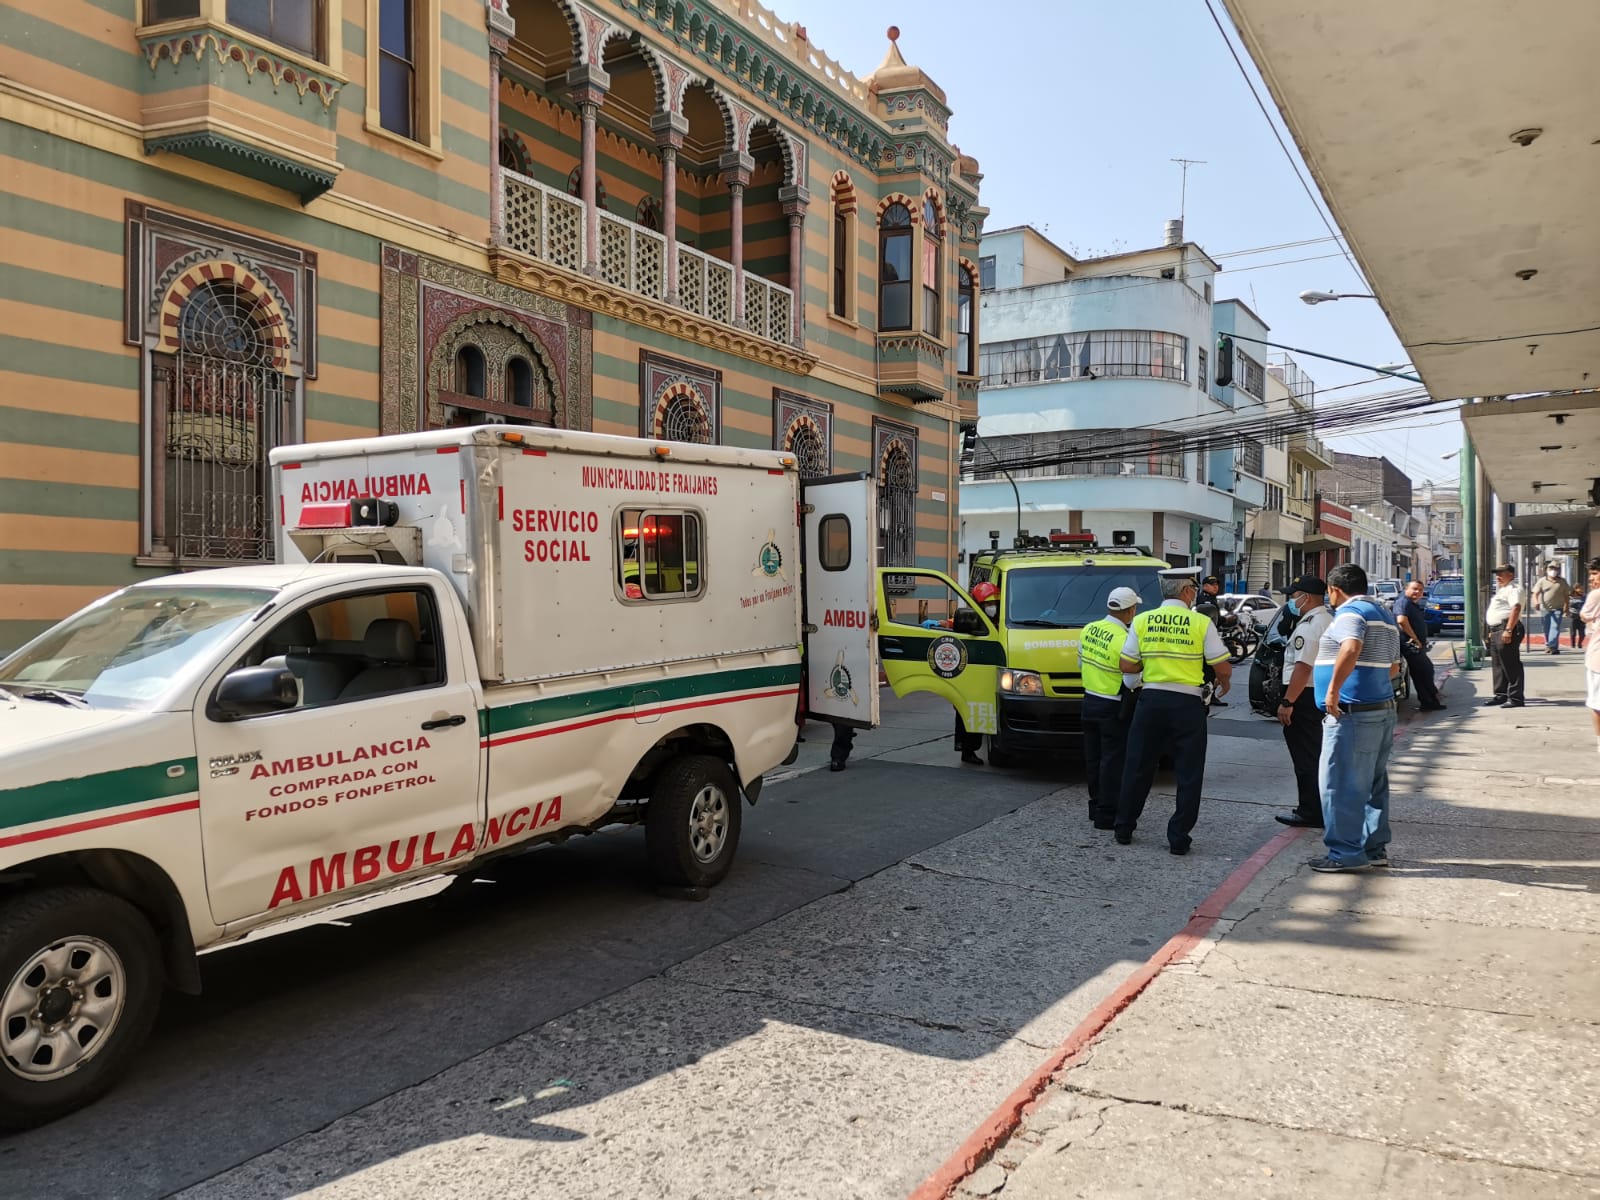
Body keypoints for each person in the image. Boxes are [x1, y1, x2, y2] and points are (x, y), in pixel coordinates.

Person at [1113, 567, 1232, 855]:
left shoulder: (1142, 620)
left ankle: (1124, 827)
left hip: (1151, 701)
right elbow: (1223, 666)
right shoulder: (1201, 623)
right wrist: (1223, 682)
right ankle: (1178, 837)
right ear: (1187, 591)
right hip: (1187, 705)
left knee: (1138, 765)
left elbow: (1127, 666)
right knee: (1189, 772)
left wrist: (1151, 666)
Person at [1308, 563, 1403, 873]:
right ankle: (1374, 848)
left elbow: (1351, 646)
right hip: (1380, 710)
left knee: (1339, 784)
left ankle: (1343, 853)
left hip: (1352, 714)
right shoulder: (1384, 615)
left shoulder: (1350, 613)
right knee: (1373, 784)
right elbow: (1393, 668)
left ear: (1335, 590)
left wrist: (1333, 691)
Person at [1272, 576, 1334, 829]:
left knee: (1305, 757)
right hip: (1316, 693)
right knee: (1316, 754)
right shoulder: (1327, 620)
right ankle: (1319, 808)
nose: (1291, 601)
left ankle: (1310, 811)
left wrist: (1288, 701)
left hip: (1303, 696)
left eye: (1293, 595)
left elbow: (1303, 667)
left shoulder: (1310, 625)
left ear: (1305, 597)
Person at [1079, 586, 1142, 830]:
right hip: (1113, 706)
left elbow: (1080, 661)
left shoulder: (1089, 629)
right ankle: (1107, 815)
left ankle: (1095, 807)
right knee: (1112, 762)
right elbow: (1130, 680)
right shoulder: (1124, 639)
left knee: (1093, 759)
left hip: (1088, 702)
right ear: (1130, 611)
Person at [1394, 579, 1445, 711]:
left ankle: (1428, 702)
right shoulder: (1403, 602)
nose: (1418, 592)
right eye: (1415, 589)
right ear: (1406, 589)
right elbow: (1402, 620)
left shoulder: (1412, 604)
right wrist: (1415, 638)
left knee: (1420, 674)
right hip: (1410, 645)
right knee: (1426, 670)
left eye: (1420, 590)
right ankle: (1430, 699)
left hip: (1417, 644)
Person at [1483, 563, 1527, 707]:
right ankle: (1501, 694)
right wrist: (1493, 631)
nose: (1498, 577)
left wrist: (1508, 630)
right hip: (1497, 629)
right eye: (1497, 574)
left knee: (1510, 664)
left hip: (1507, 628)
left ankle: (1516, 698)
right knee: (1498, 664)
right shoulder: (1502, 590)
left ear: (1511, 575)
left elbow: (1516, 608)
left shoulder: (1514, 589)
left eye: (1502, 574)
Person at [1193, 576, 1228, 706]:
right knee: (1209, 669)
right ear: (1205, 586)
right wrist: (1226, 620)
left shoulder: (1211, 599)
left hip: (1211, 637)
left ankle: (1209, 693)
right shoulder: (1204, 600)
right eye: (1212, 584)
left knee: (1211, 669)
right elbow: (1210, 619)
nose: (1216, 587)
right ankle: (1208, 694)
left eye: (1217, 584)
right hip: (1205, 639)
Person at [1581, 558, 1600, 758]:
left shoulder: (1596, 595)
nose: (1591, 579)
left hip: (1598, 658)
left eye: (1595, 574)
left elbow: (1584, 615)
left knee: (1597, 703)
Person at [1530, 563, 1571, 654]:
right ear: (1546, 570)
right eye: (1551, 568)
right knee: (1546, 628)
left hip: (1558, 608)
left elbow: (1566, 595)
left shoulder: (1562, 582)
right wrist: (1536, 602)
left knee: (1555, 627)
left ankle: (1552, 646)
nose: (1553, 570)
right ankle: (1550, 646)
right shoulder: (1542, 581)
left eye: (1556, 568)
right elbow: (1535, 593)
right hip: (1545, 609)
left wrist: (1567, 607)